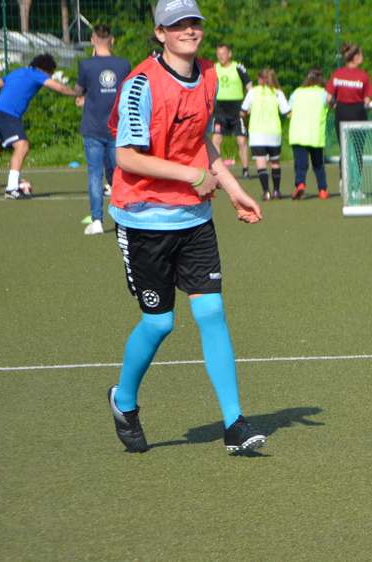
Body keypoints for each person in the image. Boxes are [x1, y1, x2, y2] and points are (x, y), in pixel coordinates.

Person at [105, 0, 266, 454]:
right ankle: (125, 401)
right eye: (177, 24)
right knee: (159, 324)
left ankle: (234, 423)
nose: (188, 30)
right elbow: (127, 157)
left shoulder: (210, 76)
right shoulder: (141, 84)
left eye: (193, 22)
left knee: (211, 313)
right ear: (160, 32)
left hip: (195, 219)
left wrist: (233, 189)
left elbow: (200, 146)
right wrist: (193, 176)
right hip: (144, 220)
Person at [0, 53, 76, 199]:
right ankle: (11, 188)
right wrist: (77, 93)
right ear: (46, 70)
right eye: (50, 74)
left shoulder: (19, 71)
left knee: (21, 146)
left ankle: (12, 186)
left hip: (1, 114)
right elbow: (60, 88)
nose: (49, 77)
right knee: (22, 146)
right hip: (6, 115)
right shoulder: (38, 74)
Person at [75, 24, 132, 235]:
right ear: (112, 40)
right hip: (118, 128)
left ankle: (97, 220)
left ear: (92, 40)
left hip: (93, 127)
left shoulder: (86, 64)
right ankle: (124, 220)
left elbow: (79, 91)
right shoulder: (123, 64)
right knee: (121, 174)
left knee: (94, 175)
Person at [326, 42, 372, 188]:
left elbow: (328, 98)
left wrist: (335, 105)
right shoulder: (363, 75)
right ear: (357, 57)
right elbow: (368, 100)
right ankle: (356, 186)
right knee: (358, 150)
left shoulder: (337, 74)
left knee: (344, 149)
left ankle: (343, 182)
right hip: (358, 113)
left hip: (341, 113)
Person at [240, 68, 290, 201]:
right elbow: (288, 112)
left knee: (261, 162)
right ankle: (277, 191)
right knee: (275, 162)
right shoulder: (277, 92)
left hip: (257, 133)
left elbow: (242, 111)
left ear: (260, 78)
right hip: (274, 132)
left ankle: (266, 192)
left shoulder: (253, 92)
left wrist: (246, 120)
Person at [211, 43, 253, 179]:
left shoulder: (238, 67)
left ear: (229, 54)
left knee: (241, 140)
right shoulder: (214, 68)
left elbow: (250, 87)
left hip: (237, 110)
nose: (221, 56)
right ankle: (218, 171)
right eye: (219, 54)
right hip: (220, 110)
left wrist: (249, 105)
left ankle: (246, 170)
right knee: (216, 139)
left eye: (223, 53)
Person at [287, 67, 330, 199]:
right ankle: (322, 190)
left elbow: (288, 113)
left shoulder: (297, 92)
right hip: (315, 134)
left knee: (300, 164)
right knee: (318, 165)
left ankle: (300, 185)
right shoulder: (323, 93)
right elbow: (330, 104)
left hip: (298, 134)